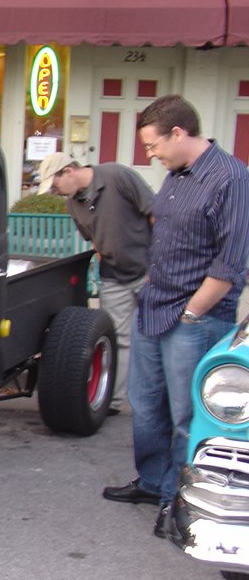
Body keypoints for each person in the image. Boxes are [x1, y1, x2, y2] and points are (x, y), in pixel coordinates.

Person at [102, 95, 249, 538]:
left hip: (195, 317)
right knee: (145, 406)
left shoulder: (231, 178)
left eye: (152, 145)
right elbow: (165, 237)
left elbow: (232, 260)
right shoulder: (175, 174)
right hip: (155, 305)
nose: (150, 154)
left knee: (188, 415)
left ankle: (180, 500)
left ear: (179, 134)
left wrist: (191, 312)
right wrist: (149, 285)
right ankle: (152, 482)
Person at [36, 151, 154, 415]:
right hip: (113, 275)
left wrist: (160, 263)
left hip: (149, 271)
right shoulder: (72, 204)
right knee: (118, 338)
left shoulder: (117, 175)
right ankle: (112, 401)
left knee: (154, 337)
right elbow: (92, 239)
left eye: (55, 185)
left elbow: (154, 213)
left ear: (68, 171)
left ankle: (157, 403)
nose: (55, 192)